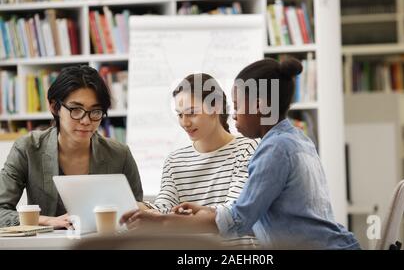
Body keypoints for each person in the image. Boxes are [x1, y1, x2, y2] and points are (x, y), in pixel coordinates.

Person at [120, 59, 360, 249]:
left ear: (258, 106)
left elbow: (238, 220)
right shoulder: (296, 139)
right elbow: (247, 211)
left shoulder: (273, 149)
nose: (232, 115)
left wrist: (161, 223)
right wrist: (208, 212)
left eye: (237, 106)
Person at [0, 65, 143, 229]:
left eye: (95, 111)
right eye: (76, 109)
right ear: (55, 107)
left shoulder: (119, 154)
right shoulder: (28, 148)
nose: (86, 120)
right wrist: (47, 221)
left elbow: (138, 214)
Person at [140, 73, 259, 247]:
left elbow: (233, 211)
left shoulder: (249, 149)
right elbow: (163, 207)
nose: (185, 123)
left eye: (191, 113)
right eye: (180, 115)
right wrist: (139, 208)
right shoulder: (175, 161)